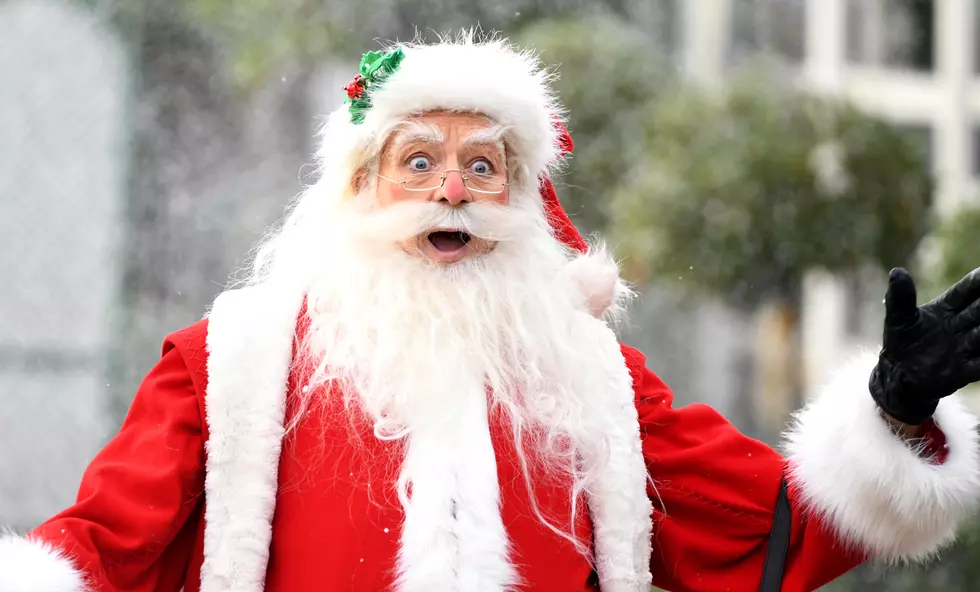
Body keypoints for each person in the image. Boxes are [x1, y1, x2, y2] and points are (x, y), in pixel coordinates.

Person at [2, 32, 980, 592]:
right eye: (418, 160)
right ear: (359, 186)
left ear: (521, 202)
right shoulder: (235, 363)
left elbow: (768, 522)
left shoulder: (591, 380)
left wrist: (892, 412)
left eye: (482, 166)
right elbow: (100, 545)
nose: (453, 190)